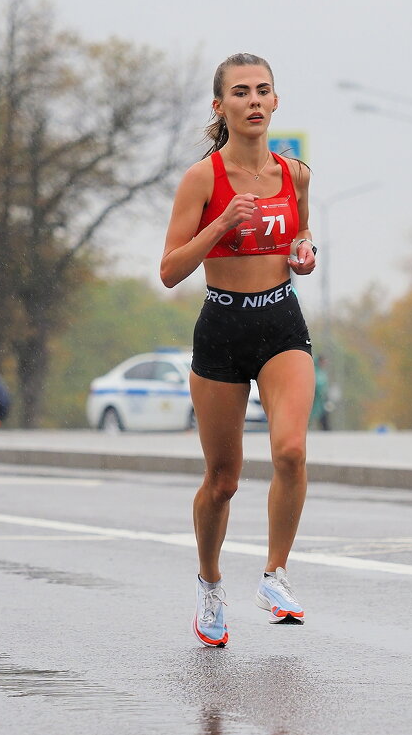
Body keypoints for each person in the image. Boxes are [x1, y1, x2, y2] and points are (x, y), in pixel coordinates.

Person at [159, 53, 317, 647]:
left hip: (280, 322)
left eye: (263, 91)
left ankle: (274, 574)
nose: (254, 101)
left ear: (276, 103)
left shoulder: (296, 174)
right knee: (223, 480)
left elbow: (299, 238)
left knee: (292, 450)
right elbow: (171, 269)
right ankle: (209, 581)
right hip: (221, 331)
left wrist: (304, 253)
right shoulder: (203, 179)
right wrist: (221, 223)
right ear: (220, 106)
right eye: (241, 92)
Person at [310, 356, 331, 431]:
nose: (325, 364)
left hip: (322, 400)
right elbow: (317, 385)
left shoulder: (323, 372)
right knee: (311, 416)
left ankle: (326, 432)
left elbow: (325, 386)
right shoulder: (315, 371)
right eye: (323, 362)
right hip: (314, 398)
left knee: (324, 418)